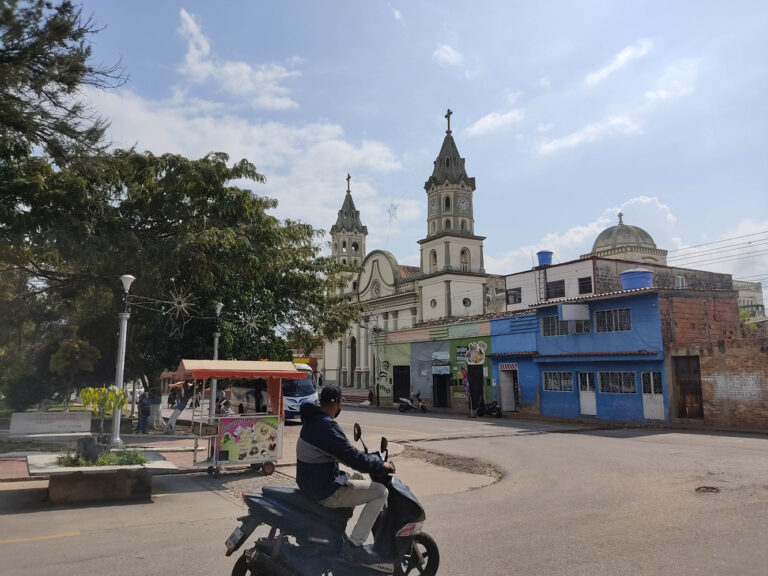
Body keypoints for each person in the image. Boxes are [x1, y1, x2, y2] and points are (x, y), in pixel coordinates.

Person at [296, 385, 395, 572]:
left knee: (358, 477)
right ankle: (354, 546)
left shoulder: (314, 420)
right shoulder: (325, 426)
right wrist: (379, 464)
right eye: (340, 403)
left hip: (314, 483)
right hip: (325, 490)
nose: (340, 407)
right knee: (380, 492)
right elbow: (350, 456)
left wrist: (368, 460)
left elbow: (345, 452)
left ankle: (340, 528)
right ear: (336, 403)